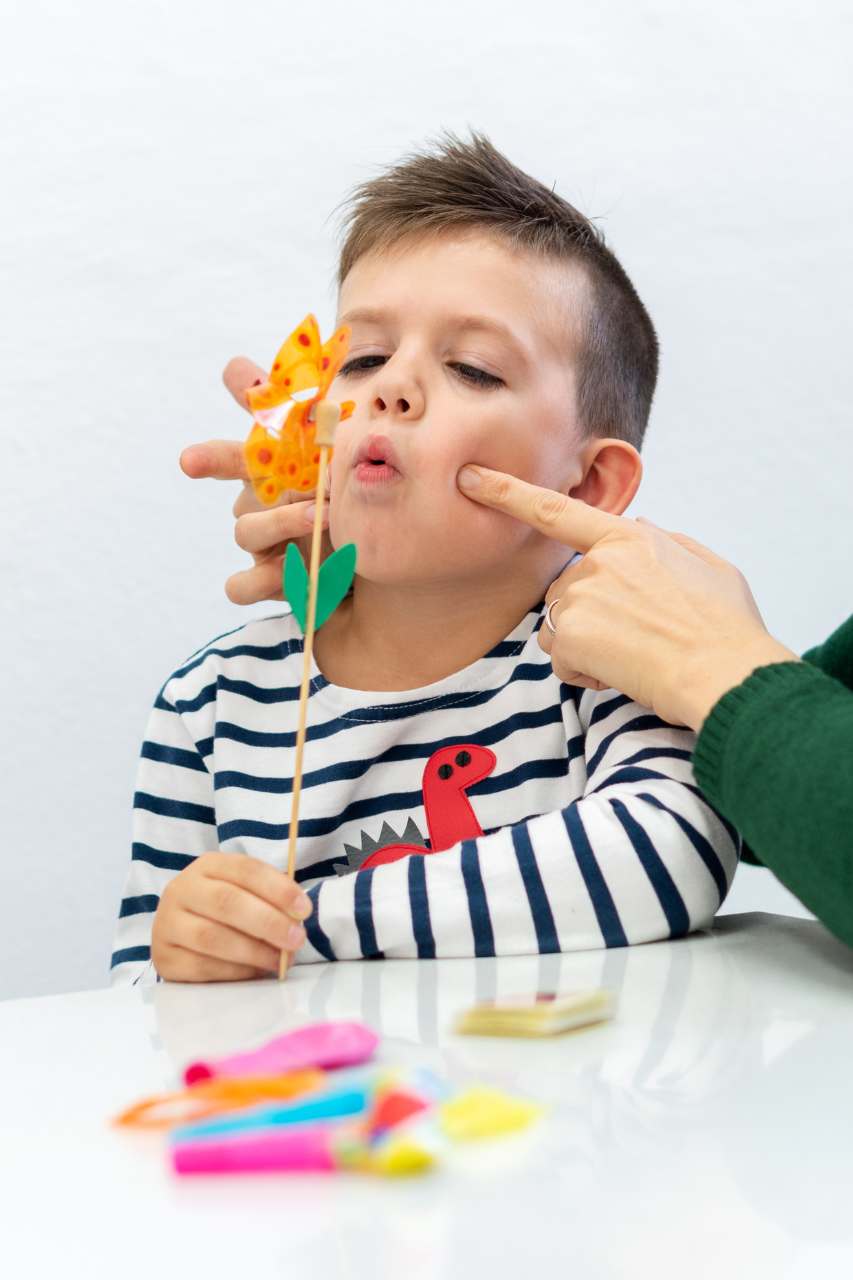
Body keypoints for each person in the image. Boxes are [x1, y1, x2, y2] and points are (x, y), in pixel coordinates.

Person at [110, 134, 738, 985]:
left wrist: (296, 930)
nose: (386, 387)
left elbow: (669, 854)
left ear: (589, 483)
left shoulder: (615, 657)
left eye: (473, 368)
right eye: (361, 357)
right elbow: (135, 1006)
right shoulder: (211, 704)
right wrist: (180, 953)